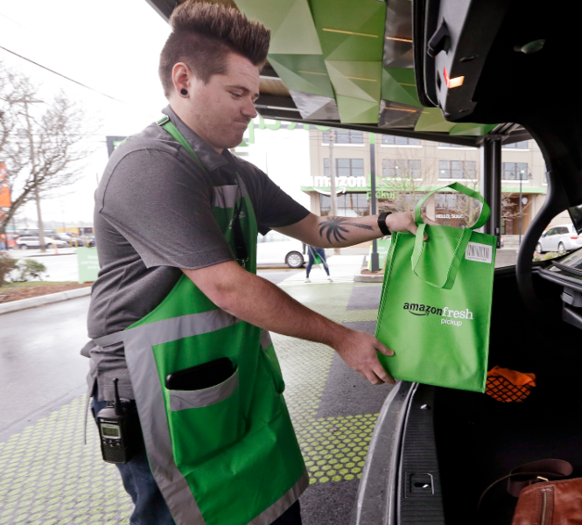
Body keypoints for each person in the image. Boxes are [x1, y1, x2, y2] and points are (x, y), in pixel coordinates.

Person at [83, 2, 422, 524]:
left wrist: (389, 222)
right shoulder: (149, 166)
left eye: (255, 96)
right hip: (151, 387)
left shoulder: (238, 173)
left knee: (267, 501)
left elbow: (315, 230)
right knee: (185, 512)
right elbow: (228, 287)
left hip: (223, 370)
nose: (251, 109)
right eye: (237, 93)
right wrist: (343, 337)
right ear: (184, 81)